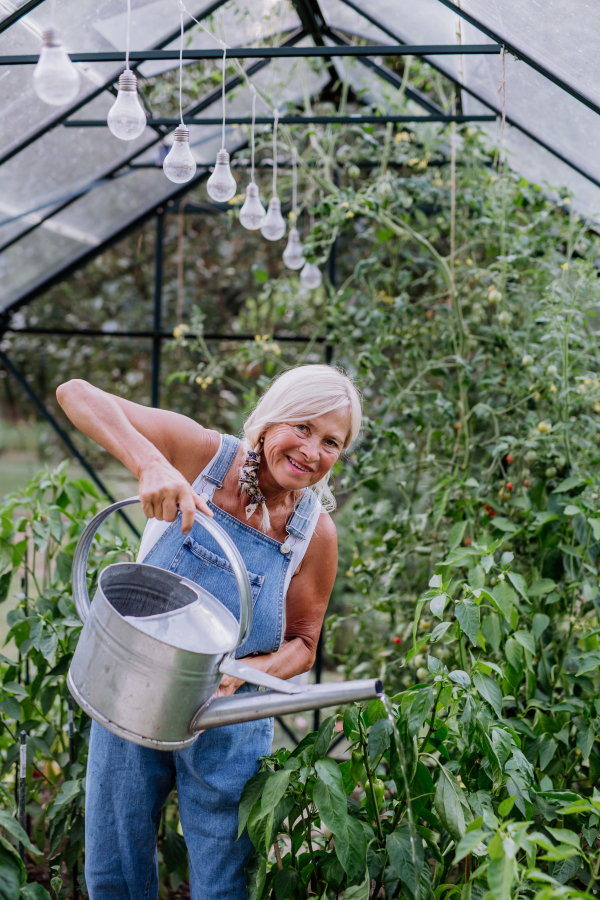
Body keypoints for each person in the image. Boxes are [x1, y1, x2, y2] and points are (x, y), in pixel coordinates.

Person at [56, 364, 362, 900]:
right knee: (114, 870)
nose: (313, 451)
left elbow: (304, 643)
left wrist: (248, 675)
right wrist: (152, 464)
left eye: (331, 442)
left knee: (224, 881)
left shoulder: (313, 533)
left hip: (225, 717)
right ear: (269, 422)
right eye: (303, 428)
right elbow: (76, 393)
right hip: (134, 689)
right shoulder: (202, 456)